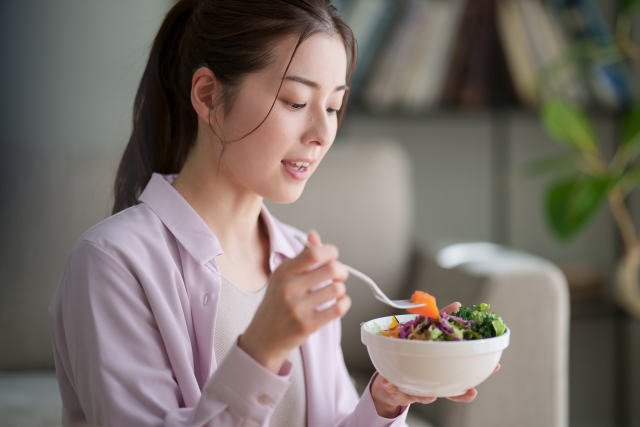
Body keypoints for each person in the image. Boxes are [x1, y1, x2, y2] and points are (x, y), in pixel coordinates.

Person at [48, 1, 494, 426]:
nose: (322, 134)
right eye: (297, 102)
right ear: (207, 96)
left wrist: (385, 400)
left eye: (335, 107)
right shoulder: (111, 263)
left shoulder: (301, 258)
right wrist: (260, 352)